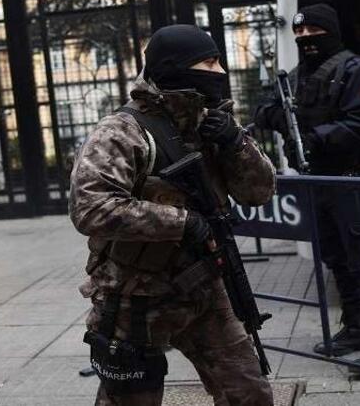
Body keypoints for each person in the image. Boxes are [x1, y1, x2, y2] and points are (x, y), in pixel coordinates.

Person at [69, 24, 276, 406]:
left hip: (203, 287)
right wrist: (183, 223)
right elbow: (90, 207)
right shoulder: (122, 132)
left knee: (249, 393)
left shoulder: (212, 123)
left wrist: (235, 143)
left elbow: (259, 192)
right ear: (176, 67)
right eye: (209, 63)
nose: (220, 72)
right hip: (135, 297)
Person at [254, 3, 360, 371]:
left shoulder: (356, 70)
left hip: (350, 178)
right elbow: (264, 110)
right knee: (336, 257)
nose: (306, 39)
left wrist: (316, 138)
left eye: (314, 32)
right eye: (299, 33)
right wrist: (280, 116)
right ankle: (357, 326)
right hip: (316, 181)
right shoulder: (296, 77)